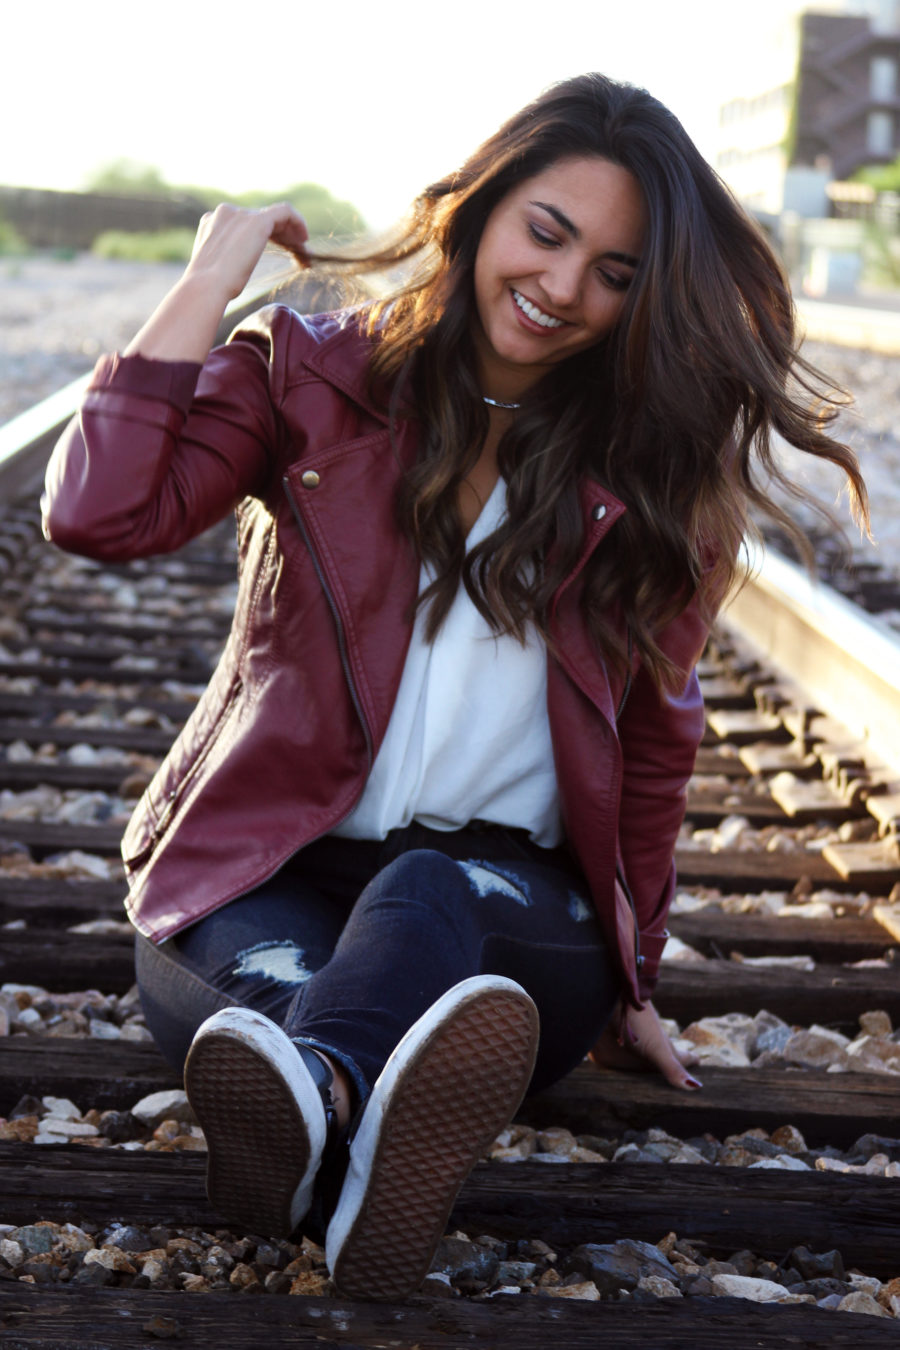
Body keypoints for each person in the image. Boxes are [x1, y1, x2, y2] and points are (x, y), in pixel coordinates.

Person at [42, 73, 867, 1301]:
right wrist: (211, 279)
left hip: (505, 904)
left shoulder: (651, 475)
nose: (565, 288)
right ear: (480, 210)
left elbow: (654, 749)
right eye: (547, 232)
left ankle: (310, 1111)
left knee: (423, 896)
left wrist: (635, 982)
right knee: (267, 1003)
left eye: (617, 272)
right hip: (267, 867)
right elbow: (99, 512)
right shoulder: (315, 378)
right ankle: (344, 1128)